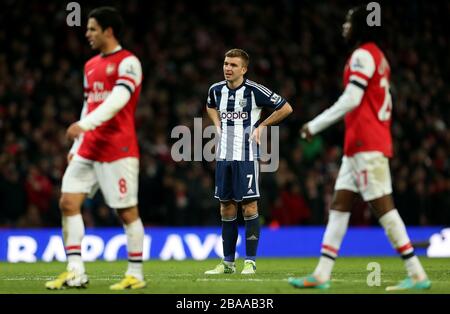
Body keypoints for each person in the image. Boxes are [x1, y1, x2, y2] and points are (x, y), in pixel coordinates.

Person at [288, 5, 431, 291]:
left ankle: (417, 274)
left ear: (360, 27)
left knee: (384, 208)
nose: (344, 26)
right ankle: (321, 274)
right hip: (358, 147)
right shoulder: (379, 58)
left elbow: (352, 98)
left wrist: (314, 125)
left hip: (367, 144)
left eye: (349, 21)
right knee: (339, 206)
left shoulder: (363, 55)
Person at [45, 7, 146, 290]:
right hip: (88, 148)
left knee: (126, 212)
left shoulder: (129, 63)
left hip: (117, 148)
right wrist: (79, 142)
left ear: (108, 31)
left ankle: (135, 274)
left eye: (92, 29)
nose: (87, 33)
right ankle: (75, 271)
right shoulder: (90, 66)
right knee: (67, 202)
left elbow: (118, 100)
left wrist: (84, 125)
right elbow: (89, 103)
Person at [205, 49, 293, 275]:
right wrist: (216, 124)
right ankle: (228, 263)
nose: (227, 68)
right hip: (223, 157)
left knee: (250, 206)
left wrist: (262, 126)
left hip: (246, 156)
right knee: (226, 207)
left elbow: (285, 107)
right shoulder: (215, 90)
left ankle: (250, 261)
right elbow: (210, 105)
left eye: (233, 65)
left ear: (243, 69)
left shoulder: (254, 91)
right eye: (225, 63)